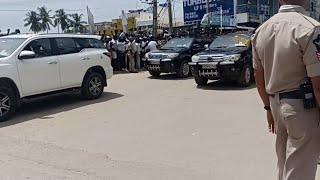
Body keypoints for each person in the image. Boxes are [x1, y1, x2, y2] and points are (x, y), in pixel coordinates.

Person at [252, 0, 320, 179]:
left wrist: (268, 108)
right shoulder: (310, 28)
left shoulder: (261, 31)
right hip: (303, 109)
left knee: (284, 165)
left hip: (276, 104)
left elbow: (259, 78)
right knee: (300, 170)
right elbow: (318, 84)